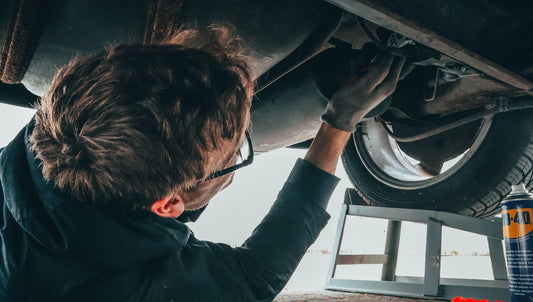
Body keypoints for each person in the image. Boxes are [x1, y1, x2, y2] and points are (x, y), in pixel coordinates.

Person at [0, 27, 404, 301]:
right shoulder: (119, 288)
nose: (237, 152)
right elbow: (255, 277)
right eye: (234, 156)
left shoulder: (69, 127)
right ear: (167, 205)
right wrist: (338, 124)